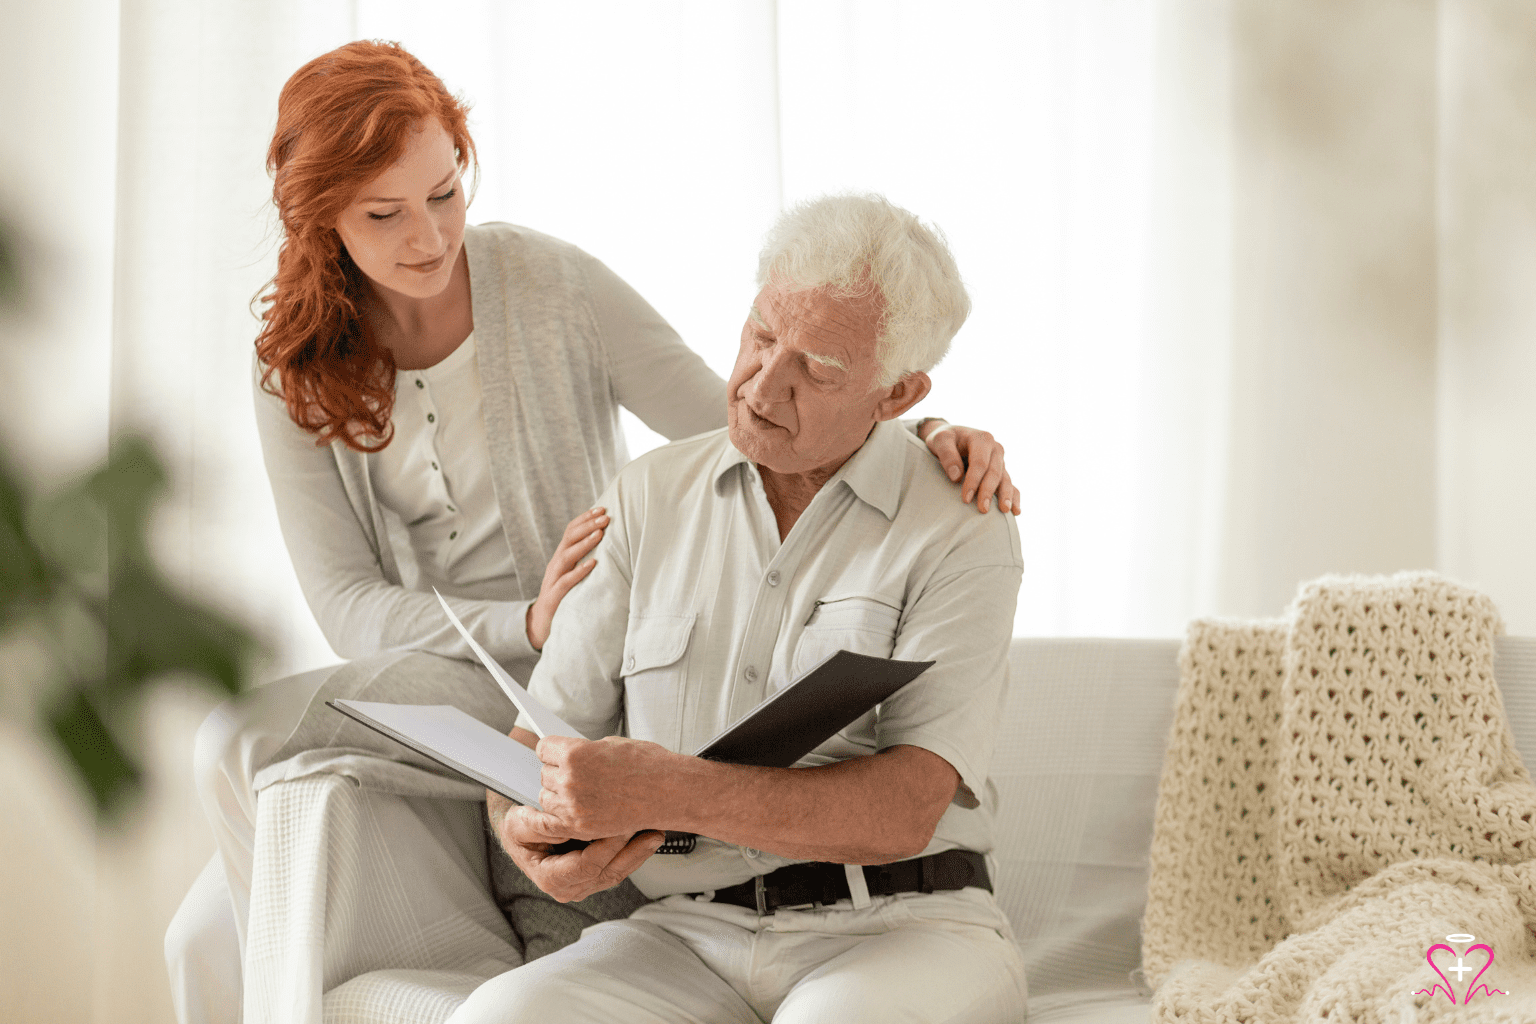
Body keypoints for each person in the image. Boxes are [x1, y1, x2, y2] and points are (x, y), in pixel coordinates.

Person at [162, 39, 1019, 1024]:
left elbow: (739, 419)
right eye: (384, 214)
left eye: (445, 192)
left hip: (591, 663)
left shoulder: (552, 284)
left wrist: (915, 438)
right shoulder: (294, 364)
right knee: (224, 785)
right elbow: (349, 605)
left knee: (223, 906)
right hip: (462, 665)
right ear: (318, 221)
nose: (431, 238)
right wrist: (527, 622)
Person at [456, 193, 1026, 1024]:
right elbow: (533, 744)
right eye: (761, 335)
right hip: (684, 935)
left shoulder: (962, 524)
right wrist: (530, 839)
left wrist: (669, 790)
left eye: (819, 370)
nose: (764, 383)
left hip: (905, 927)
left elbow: (907, 808)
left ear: (897, 392)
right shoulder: (647, 497)